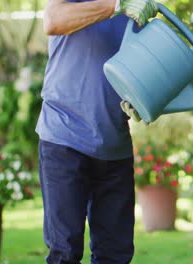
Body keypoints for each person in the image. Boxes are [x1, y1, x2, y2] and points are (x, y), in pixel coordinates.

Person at [36, 0, 157, 263]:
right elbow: (53, 20)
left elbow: (145, 66)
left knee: (115, 255)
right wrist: (116, 5)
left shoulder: (140, 6)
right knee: (65, 252)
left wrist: (143, 98)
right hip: (63, 135)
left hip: (114, 144)